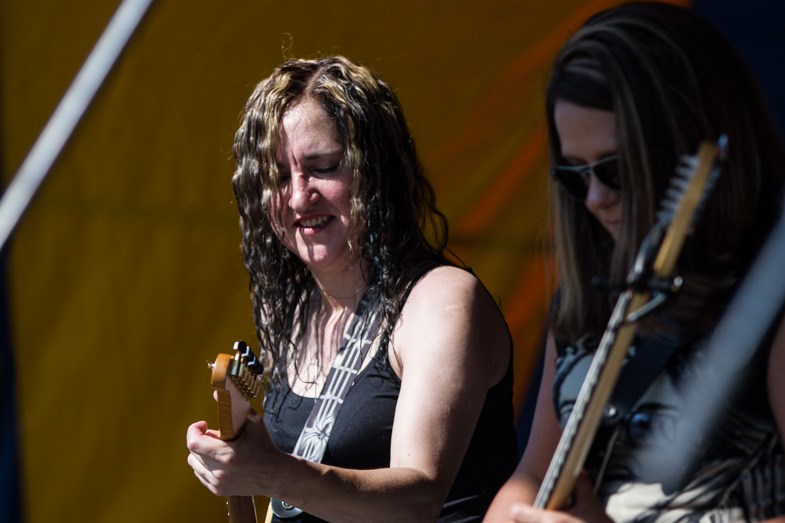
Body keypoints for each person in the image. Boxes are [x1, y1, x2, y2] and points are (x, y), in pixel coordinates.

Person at [484, 2, 785, 522]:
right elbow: (531, 476)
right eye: (576, 176)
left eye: (616, 170)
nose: (596, 197)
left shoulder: (768, 296)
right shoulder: (582, 304)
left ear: (691, 152)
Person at [186, 55, 517, 522]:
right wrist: (242, 467)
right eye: (279, 177)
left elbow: (419, 497)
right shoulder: (294, 308)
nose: (299, 196)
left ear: (376, 170)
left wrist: (271, 472)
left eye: (322, 167)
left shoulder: (441, 302)